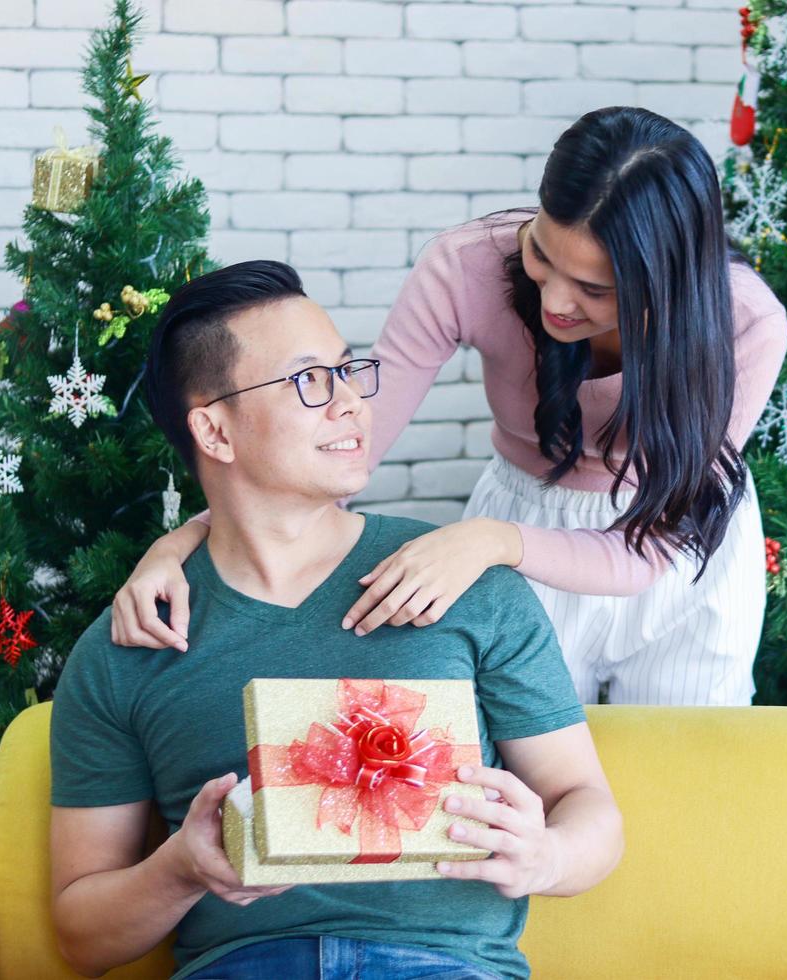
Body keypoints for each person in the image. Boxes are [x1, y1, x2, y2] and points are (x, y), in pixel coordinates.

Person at [49, 261, 623, 980]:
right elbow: (80, 933)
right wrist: (181, 870)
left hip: (445, 966)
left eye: (348, 372)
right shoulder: (129, 643)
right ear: (214, 431)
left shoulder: (464, 583)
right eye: (309, 381)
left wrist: (548, 855)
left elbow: (589, 805)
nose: (351, 402)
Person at [110, 106, 787, 706]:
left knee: (679, 781)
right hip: (518, 523)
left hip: (672, 555)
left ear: (663, 283)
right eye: (542, 256)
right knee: (517, 777)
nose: (554, 301)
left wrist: (493, 542)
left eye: (594, 289)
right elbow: (346, 446)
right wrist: (180, 542)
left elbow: (644, 557)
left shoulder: (744, 325)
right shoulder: (466, 266)